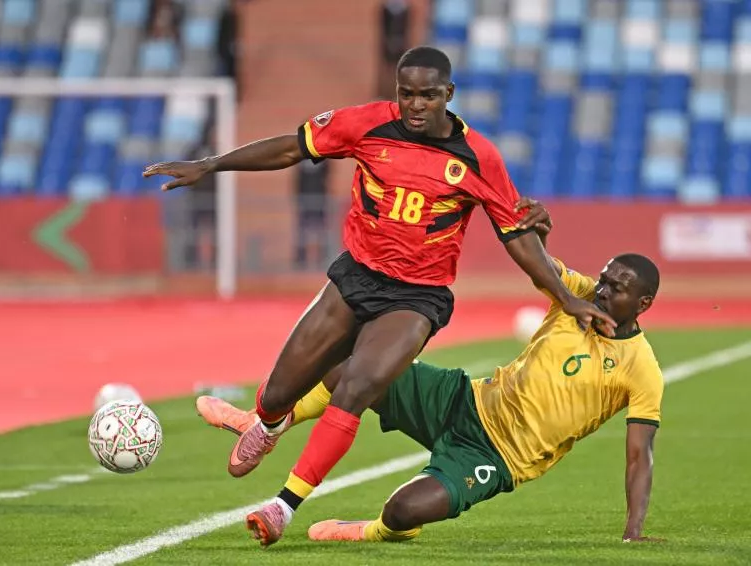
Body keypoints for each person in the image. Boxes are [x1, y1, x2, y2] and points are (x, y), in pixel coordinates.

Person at [143, 46, 615, 547]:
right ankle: (268, 423)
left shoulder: (480, 157)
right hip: (355, 278)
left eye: (427, 96)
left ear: (448, 95)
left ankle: (283, 506)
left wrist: (566, 296)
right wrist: (212, 166)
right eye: (406, 94)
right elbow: (290, 149)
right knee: (280, 391)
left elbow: (516, 235)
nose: (415, 105)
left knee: (356, 386)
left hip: (417, 297)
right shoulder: (366, 124)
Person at [198, 207, 664, 544]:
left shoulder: (641, 369)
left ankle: (374, 531)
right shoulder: (576, 295)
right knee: (348, 365)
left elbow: (638, 456)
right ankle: (265, 423)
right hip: (464, 399)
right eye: (604, 279)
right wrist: (536, 232)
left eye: (616, 289)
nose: (601, 291)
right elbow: (538, 266)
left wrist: (634, 534)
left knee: (402, 511)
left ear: (642, 304)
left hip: (497, 457)